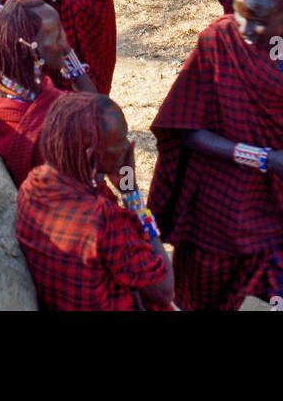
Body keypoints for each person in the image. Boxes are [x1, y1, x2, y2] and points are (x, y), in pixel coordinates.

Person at [147, 0, 283, 311]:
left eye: (259, 20)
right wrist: (268, 159)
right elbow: (186, 131)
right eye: (240, 13)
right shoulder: (217, 43)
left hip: (282, 203)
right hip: (220, 210)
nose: (245, 27)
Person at [15, 93, 174, 311]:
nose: (127, 148)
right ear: (91, 156)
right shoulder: (103, 218)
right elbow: (164, 290)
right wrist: (132, 194)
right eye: (120, 142)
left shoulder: (32, 185)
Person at [0, 0, 96, 185]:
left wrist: (66, 54)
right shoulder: (57, 127)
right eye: (57, 37)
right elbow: (98, 114)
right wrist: (131, 193)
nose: (65, 45)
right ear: (33, 53)